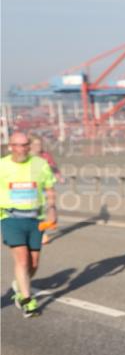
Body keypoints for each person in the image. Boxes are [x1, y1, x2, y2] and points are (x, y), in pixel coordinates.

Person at [1, 131, 57, 318]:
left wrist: (52, 208)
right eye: (17, 145)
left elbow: (49, 188)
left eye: (25, 145)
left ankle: (19, 283)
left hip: (35, 218)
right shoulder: (2, 166)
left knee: (34, 262)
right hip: (10, 217)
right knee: (22, 259)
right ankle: (26, 300)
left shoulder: (39, 165)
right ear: (11, 146)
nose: (21, 149)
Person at [29, 134, 63, 245]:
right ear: (31, 145)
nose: (39, 146)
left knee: (50, 208)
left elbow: (53, 166)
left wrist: (58, 175)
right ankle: (42, 234)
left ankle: (48, 223)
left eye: (40, 144)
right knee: (38, 212)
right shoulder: (27, 156)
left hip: (47, 186)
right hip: (32, 188)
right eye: (36, 144)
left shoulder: (45, 155)